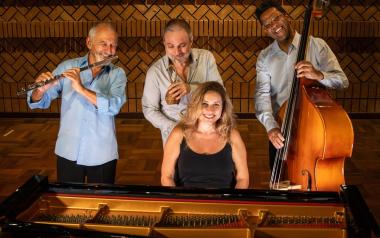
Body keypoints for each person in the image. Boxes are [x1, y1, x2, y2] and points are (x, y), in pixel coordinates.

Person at [27, 23, 127, 184]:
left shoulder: (117, 74)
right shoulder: (67, 67)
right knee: (70, 203)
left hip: (102, 153)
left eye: (113, 46)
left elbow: (113, 107)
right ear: (89, 43)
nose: (109, 51)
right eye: (104, 44)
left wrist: (81, 88)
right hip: (68, 150)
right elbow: (39, 102)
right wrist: (40, 90)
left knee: (102, 202)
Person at [254, 1, 349, 171]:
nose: (274, 26)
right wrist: (271, 127)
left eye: (276, 18)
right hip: (281, 130)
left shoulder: (317, 46)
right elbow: (262, 96)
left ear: (286, 16)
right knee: (279, 182)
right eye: (267, 24)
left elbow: (342, 80)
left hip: (315, 128)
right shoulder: (264, 57)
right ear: (264, 30)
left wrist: (319, 75)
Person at [142, 19, 223, 146]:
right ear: (164, 43)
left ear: (191, 41)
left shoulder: (206, 58)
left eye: (182, 45)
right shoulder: (155, 72)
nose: (177, 52)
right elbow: (149, 110)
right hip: (174, 138)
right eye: (171, 46)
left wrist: (190, 88)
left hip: (208, 131)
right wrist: (174, 128)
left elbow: (220, 91)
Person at [161, 81, 249, 189]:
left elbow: (243, 178)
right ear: (195, 105)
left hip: (224, 201)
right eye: (204, 104)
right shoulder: (179, 133)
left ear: (223, 108)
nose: (210, 110)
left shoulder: (232, 135)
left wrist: (232, 203)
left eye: (216, 104)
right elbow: (166, 177)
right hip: (187, 202)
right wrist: (178, 202)